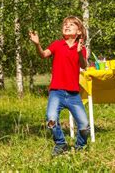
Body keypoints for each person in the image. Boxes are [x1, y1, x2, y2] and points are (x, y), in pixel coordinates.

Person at [29, 16, 90, 156]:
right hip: (56, 92)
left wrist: (80, 52)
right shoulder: (57, 44)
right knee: (51, 119)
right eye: (65, 24)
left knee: (85, 126)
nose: (67, 26)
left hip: (74, 94)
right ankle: (60, 143)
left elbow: (83, 65)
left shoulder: (81, 48)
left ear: (79, 31)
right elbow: (44, 54)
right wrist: (37, 44)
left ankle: (80, 147)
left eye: (71, 25)